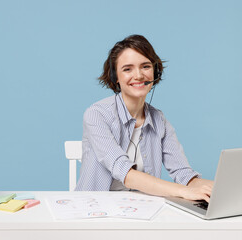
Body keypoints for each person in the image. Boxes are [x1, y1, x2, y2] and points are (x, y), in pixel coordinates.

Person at [75, 34, 213, 202]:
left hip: (142, 208)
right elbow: (124, 171)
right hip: (95, 208)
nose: (139, 75)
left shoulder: (159, 120)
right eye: (127, 69)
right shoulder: (97, 114)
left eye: (145, 66)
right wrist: (183, 192)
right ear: (115, 77)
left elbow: (183, 173)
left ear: (155, 72)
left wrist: (219, 188)